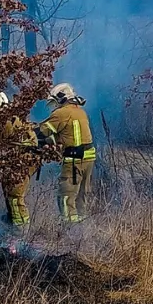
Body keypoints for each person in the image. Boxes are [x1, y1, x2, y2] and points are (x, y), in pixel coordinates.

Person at [37, 83, 96, 223]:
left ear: (61, 98)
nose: (54, 106)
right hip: (89, 158)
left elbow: (42, 131)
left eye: (55, 102)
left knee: (66, 196)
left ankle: (69, 229)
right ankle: (83, 227)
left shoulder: (61, 113)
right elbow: (68, 134)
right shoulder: (80, 111)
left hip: (74, 160)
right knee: (82, 194)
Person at [0, 90, 38, 228]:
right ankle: (12, 221)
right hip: (22, 158)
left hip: (22, 160)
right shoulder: (13, 115)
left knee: (15, 196)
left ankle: (21, 230)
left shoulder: (4, 121)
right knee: (8, 188)